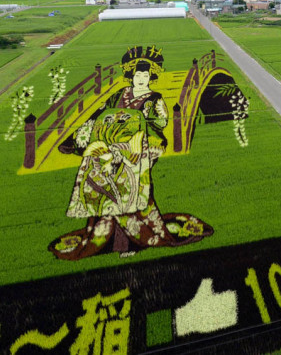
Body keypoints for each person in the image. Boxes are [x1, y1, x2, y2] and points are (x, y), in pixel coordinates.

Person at [50, 46, 212, 260]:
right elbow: (99, 115)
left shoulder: (154, 99)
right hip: (109, 147)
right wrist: (79, 139)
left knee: (132, 193)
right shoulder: (119, 94)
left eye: (146, 75)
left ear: (151, 77)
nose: (141, 79)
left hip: (136, 152)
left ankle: (134, 241)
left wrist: (141, 140)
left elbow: (157, 126)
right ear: (131, 76)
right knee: (106, 191)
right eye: (138, 75)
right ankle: (106, 238)